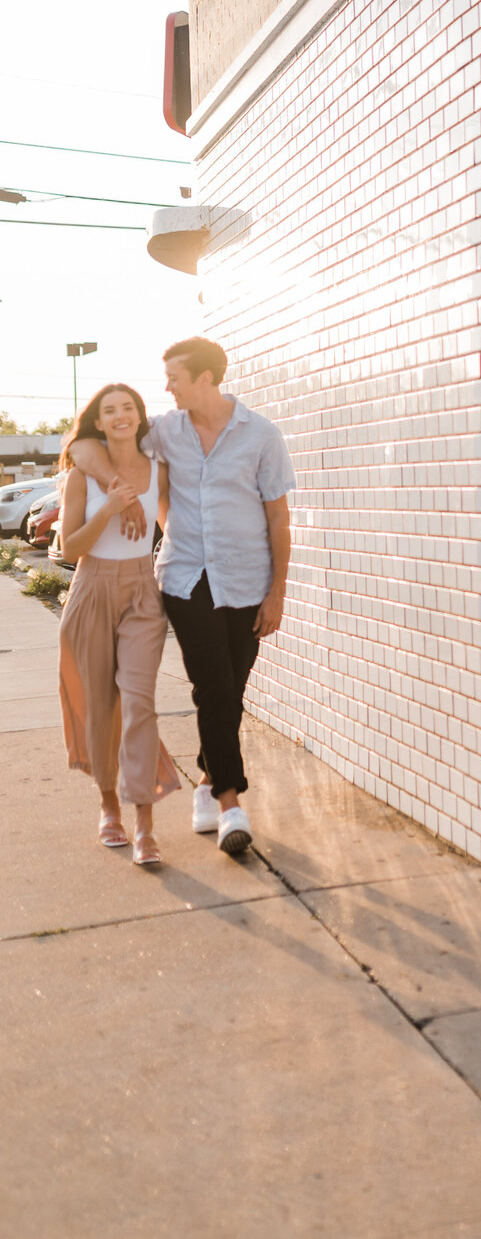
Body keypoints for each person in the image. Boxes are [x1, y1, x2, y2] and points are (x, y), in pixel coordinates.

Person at [71, 337, 295, 858]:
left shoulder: (261, 435)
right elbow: (86, 444)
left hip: (247, 580)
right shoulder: (166, 432)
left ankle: (204, 780)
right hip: (185, 579)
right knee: (212, 687)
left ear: (206, 379)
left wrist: (278, 590)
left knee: (231, 691)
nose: (165, 386)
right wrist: (119, 490)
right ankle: (230, 805)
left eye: (173, 376)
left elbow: (279, 517)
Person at [58, 383, 181, 866]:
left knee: (139, 702)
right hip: (90, 589)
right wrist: (110, 506)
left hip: (141, 592)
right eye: (110, 411)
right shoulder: (81, 477)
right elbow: (69, 548)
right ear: (100, 421)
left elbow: (175, 527)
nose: (120, 415)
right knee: (100, 706)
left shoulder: (159, 472)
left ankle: (146, 825)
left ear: (139, 415)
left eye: (128, 407)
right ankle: (109, 808)